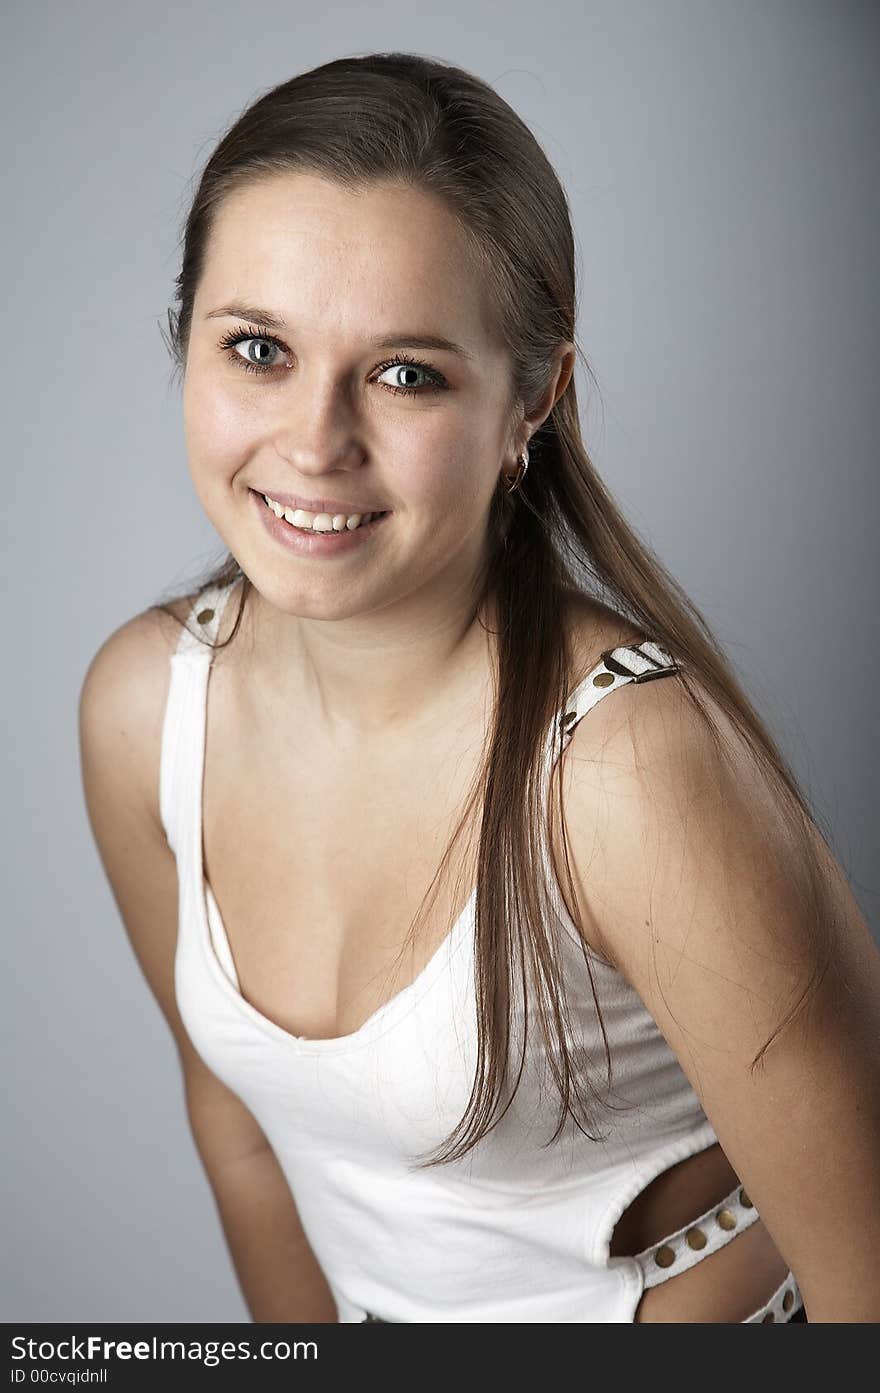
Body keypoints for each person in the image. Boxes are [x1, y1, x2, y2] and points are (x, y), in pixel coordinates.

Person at [78, 52, 879, 1324]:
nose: (314, 440)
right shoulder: (141, 707)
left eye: (405, 372)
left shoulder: (623, 769)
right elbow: (234, 1119)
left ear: (533, 402)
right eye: (259, 349)